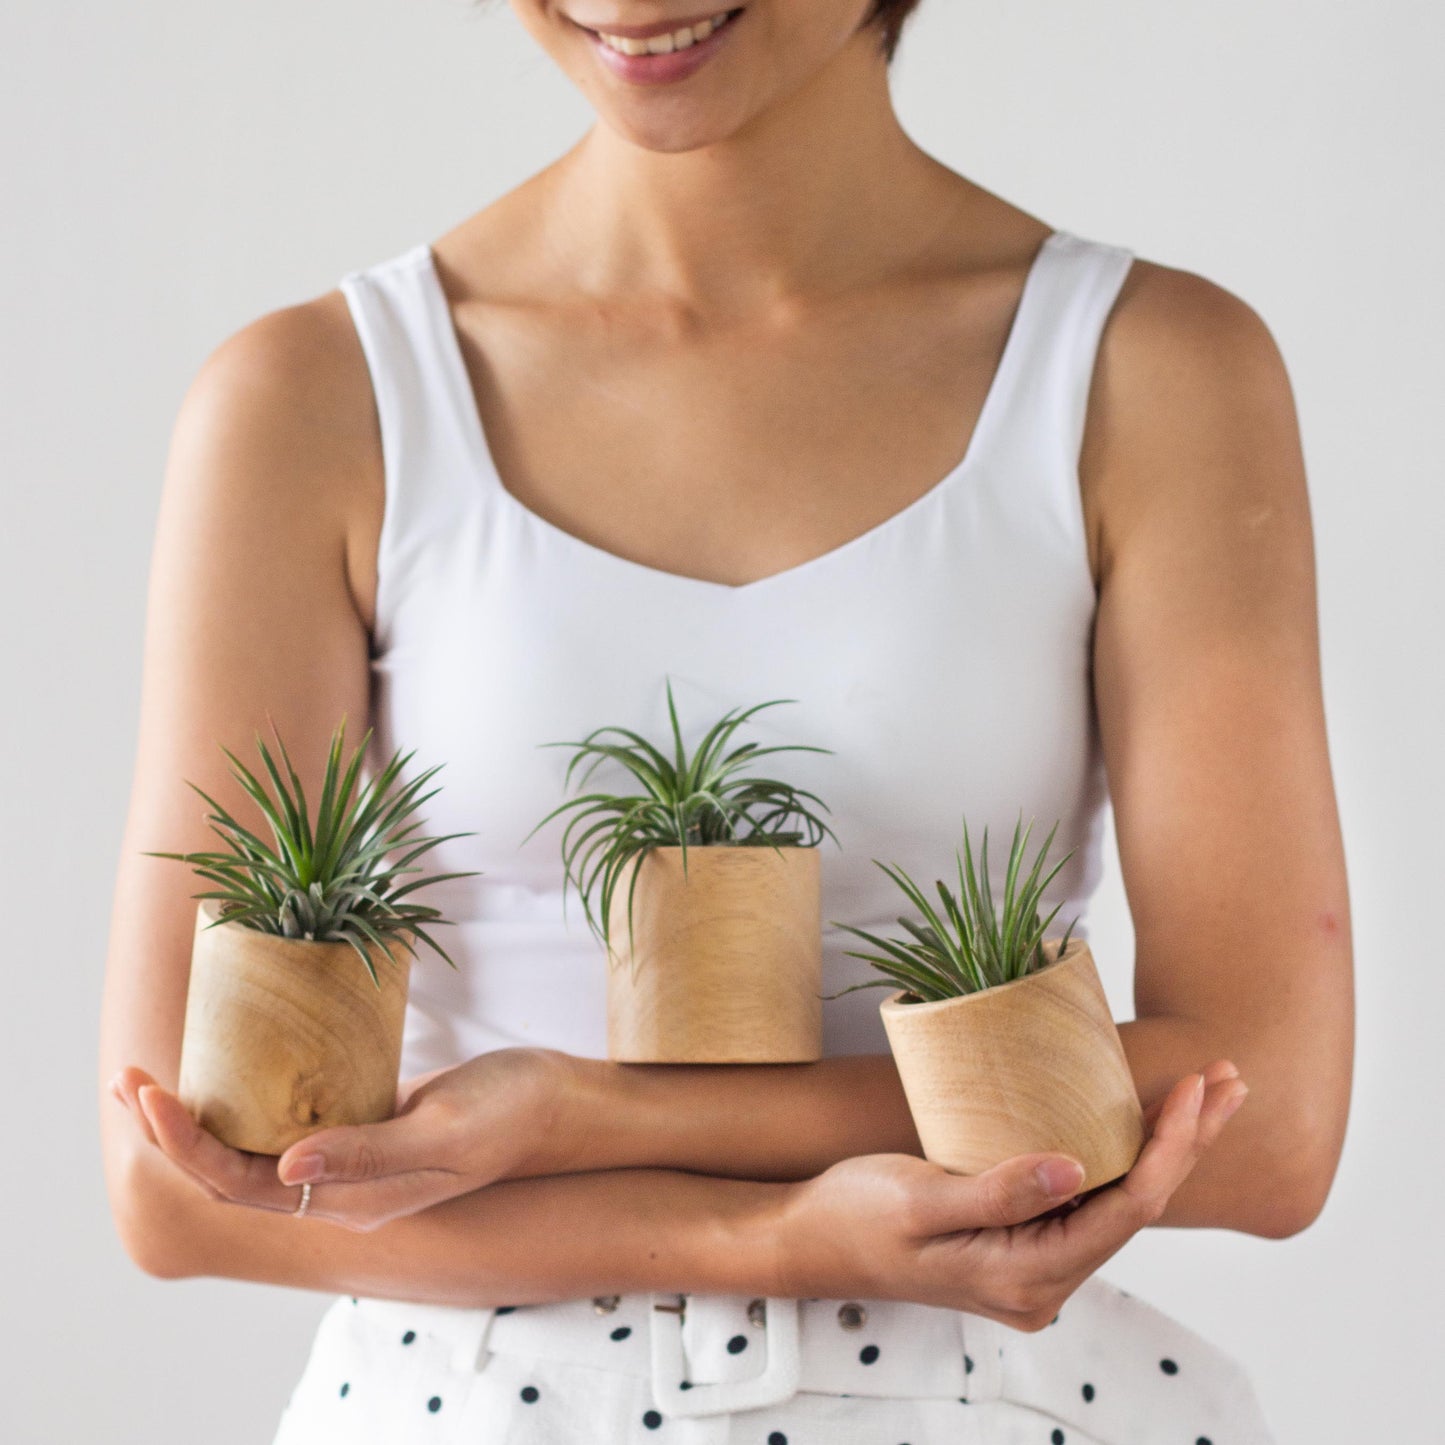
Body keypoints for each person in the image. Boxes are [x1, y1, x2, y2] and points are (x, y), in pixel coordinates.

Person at [99, 2, 1353, 1441]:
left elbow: (1262, 1124)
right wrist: (769, 1243)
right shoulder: (313, 397)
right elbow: (175, 1182)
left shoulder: (1145, 369)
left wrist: (584, 1115)